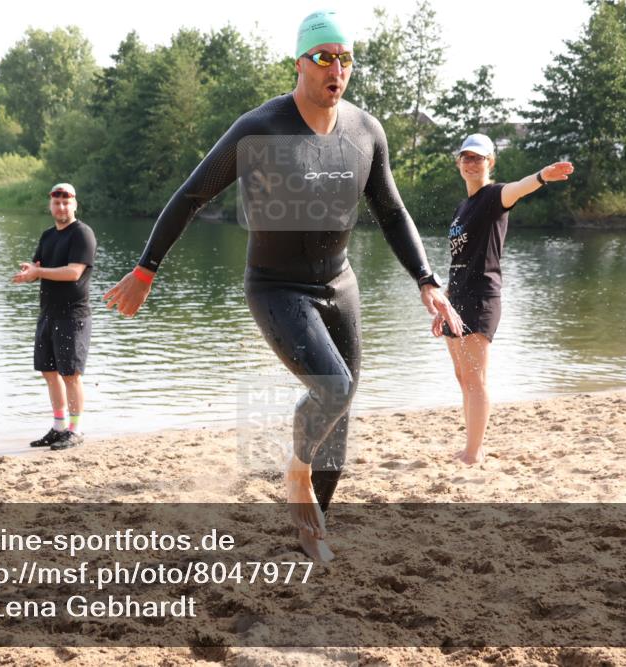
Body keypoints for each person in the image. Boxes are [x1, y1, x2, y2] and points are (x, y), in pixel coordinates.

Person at [103, 11, 462, 561]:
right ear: (299, 63)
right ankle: (296, 472)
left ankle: (310, 530)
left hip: (340, 283)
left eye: (345, 59)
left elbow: (391, 211)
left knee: (340, 413)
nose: (336, 69)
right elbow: (191, 195)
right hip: (276, 287)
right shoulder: (261, 129)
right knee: (333, 388)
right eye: (324, 58)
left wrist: (427, 281)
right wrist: (147, 268)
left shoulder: (366, 132)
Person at [432, 134, 573, 465]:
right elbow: (459, 260)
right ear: (458, 163)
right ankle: (472, 444)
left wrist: (541, 176)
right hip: (458, 299)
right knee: (461, 376)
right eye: (466, 157)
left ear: (490, 162)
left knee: (475, 377)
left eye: (478, 158)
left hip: (482, 297)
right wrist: (444, 304)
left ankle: (474, 451)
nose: (471, 163)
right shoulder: (462, 206)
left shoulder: (494, 196)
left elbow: (519, 188)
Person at [12, 183, 97, 451]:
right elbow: (40, 267)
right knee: (49, 372)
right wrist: (29, 273)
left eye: (66, 202)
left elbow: (73, 273)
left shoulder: (82, 234)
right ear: (50, 205)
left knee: (70, 374)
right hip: (48, 313)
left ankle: (75, 429)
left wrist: (39, 273)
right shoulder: (48, 235)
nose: (61, 207)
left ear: (75, 204)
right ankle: (58, 427)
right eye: (56, 202)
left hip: (72, 315)